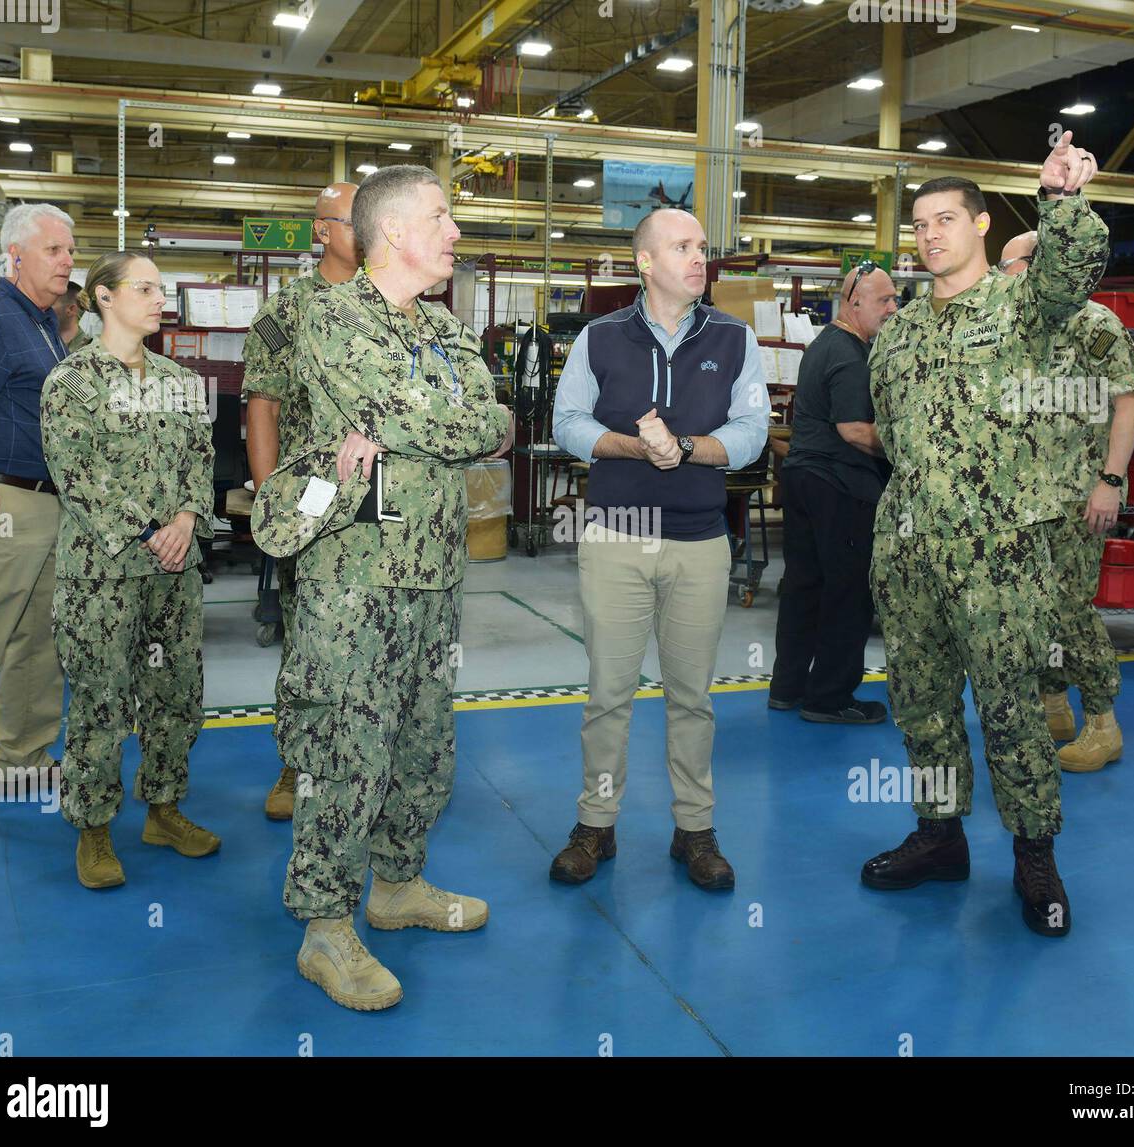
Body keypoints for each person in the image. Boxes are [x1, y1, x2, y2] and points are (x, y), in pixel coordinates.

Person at [861, 132, 1108, 938]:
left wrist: (1063, 202)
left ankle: (1035, 855)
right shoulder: (894, 334)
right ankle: (940, 837)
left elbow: (1075, 271)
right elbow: (895, 439)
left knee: (1010, 709)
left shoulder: (1022, 308)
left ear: (980, 226)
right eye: (920, 223)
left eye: (946, 219)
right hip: (910, 556)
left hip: (999, 558)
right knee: (923, 705)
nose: (930, 234)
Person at [282, 165, 510, 1011]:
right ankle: (325, 926)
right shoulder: (331, 315)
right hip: (356, 578)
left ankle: (397, 883)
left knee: (422, 741)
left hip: (437, 571)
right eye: (442, 216)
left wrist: (421, 423)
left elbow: (496, 421)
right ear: (395, 233)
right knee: (347, 748)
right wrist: (429, 421)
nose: (455, 231)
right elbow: (404, 409)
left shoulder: (449, 332)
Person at [550, 208, 769, 891]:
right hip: (617, 537)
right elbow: (568, 422)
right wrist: (630, 444)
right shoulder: (600, 337)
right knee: (609, 693)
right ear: (645, 261)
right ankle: (596, 823)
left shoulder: (735, 338)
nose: (700, 257)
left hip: (701, 543)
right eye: (682, 246)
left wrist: (688, 450)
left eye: (702, 246)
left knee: (691, 698)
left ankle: (694, 830)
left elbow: (753, 429)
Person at [41, 250, 218, 889]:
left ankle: (163, 810)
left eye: (160, 288)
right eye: (143, 287)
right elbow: (77, 475)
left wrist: (187, 521)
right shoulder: (73, 382)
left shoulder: (179, 380)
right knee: (101, 699)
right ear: (104, 297)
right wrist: (149, 532)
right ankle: (93, 829)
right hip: (104, 574)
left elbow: (202, 458)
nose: (157, 297)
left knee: (177, 695)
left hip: (175, 570)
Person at [999, 231, 1134, 771]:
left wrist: (1111, 480)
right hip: (1027, 499)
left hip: (1079, 498)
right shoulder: (1020, 327)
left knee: (1070, 610)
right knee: (1035, 610)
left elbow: (1129, 405)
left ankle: (1103, 723)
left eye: (1007, 265)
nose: (999, 277)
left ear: (1041, 267)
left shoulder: (1094, 322)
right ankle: (1054, 706)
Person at [0, 203, 75, 846]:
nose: (67, 261)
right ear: (17, 255)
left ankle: (22, 764)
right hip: (0, 505)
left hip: (45, 503)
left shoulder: (44, 324)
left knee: (37, 644)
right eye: (55, 250)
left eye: (69, 250)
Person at [243, 181, 360, 820]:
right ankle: (295, 763)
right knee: (306, 639)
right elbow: (263, 406)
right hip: (312, 503)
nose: (368, 228)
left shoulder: (389, 302)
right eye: (353, 218)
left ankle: (366, 758)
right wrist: (271, 506)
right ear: (322, 231)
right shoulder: (286, 312)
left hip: (383, 509)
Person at [769, 261, 899, 723]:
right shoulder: (849, 355)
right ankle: (829, 698)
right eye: (883, 300)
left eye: (893, 298)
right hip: (840, 487)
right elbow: (854, 430)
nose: (892, 307)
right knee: (849, 593)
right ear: (854, 302)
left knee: (804, 588)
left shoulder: (822, 344)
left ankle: (786, 687)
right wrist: (907, 444)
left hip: (802, 479)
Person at [53, 282, 93, 354]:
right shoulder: (43, 341)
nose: (44, 308)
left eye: (51, 304)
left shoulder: (88, 350)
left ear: (71, 310)